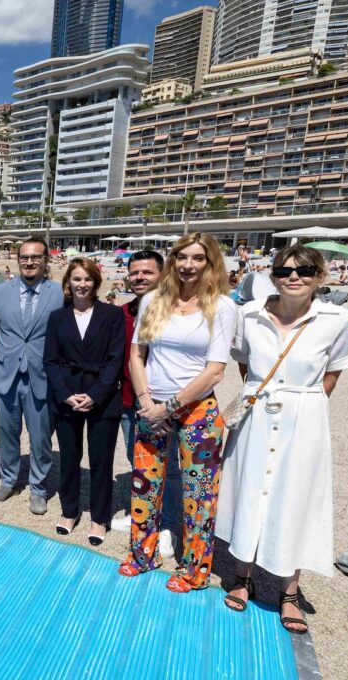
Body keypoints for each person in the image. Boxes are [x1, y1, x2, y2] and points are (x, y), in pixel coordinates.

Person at [217, 245, 348, 633]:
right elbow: (243, 361)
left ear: (320, 276)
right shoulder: (250, 313)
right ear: (273, 274)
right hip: (257, 412)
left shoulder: (337, 319)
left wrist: (304, 404)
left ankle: (289, 591)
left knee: (295, 496)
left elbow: (335, 370)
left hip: (304, 417)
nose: (294, 277)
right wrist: (261, 391)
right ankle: (242, 576)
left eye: (305, 270)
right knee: (248, 489)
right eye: (285, 270)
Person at [119, 232, 236, 593]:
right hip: (151, 404)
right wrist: (144, 400)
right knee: (144, 486)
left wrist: (168, 407)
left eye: (198, 258)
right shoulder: (155, 299)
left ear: (211, 262)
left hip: (197, 409)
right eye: (182, 257)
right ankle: (143, 554)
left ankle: (195, 569)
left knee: (198, 493)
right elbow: (137, 354)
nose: (188, 265)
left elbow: (216, 370)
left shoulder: (222, 307)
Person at [44, 258, 125, 545]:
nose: (82, 284)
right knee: (69, 457)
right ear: (68, 282)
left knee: (101, 460)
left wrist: (95, 395)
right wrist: (66, 394)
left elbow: (116, 359)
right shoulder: (57, 317)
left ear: (96, 283)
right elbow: (50, 361)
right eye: (76, 279)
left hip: (102, 397)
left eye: (87, 279)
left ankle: (99, 517)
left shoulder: (112, 315)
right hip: (67, 396)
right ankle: (69, 511)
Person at [0, 237, 64, 514]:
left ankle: (38, 488)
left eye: (36, 257)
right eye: (24, 257)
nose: (29, 262)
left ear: (46, 260)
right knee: (7, 433)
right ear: (17, 260)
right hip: (6, 375)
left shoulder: (59, 293)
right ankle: (8, 480)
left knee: (41, 436)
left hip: (41, 376)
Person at [114, 251, 182, 557]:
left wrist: (171, 404)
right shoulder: (124, 311)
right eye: (135, 272)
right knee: (138, 460)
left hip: (167, 405)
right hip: (130, 402)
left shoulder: (177, 311)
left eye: (148, 272)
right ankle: (144, 516)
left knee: (169, 468)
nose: (140, 277)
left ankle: (168, 527)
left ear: (163, 274)